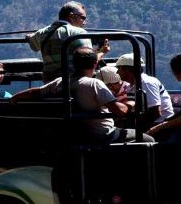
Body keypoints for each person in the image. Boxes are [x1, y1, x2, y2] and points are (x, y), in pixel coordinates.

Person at [13, 48, 153, 144]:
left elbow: (35, 92)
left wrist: (14, 98)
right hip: (103, 135)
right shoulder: (94, 84)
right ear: (95, 63)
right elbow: (121, 111)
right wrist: (131, 103)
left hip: (74, 134)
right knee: (149, 140)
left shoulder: (61, 82)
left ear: (74, 64)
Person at [27, 1, 110, 81]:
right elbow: (88, 64)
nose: (84, 23)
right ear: (71, 16)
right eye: (83, 18)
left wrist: (29, 37)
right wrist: (102, 52)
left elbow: (33, 45)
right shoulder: (79, 33)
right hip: (72, 84)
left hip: (49, 83)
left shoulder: (41, 33)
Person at [115, 53, 174, 131]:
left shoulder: (146, 83)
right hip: (149, 123)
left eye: (119, 69)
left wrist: (139, 129)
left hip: (160, 125)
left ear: (127, 70)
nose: (117, 72)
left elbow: (156, 113)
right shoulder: (132, 85)